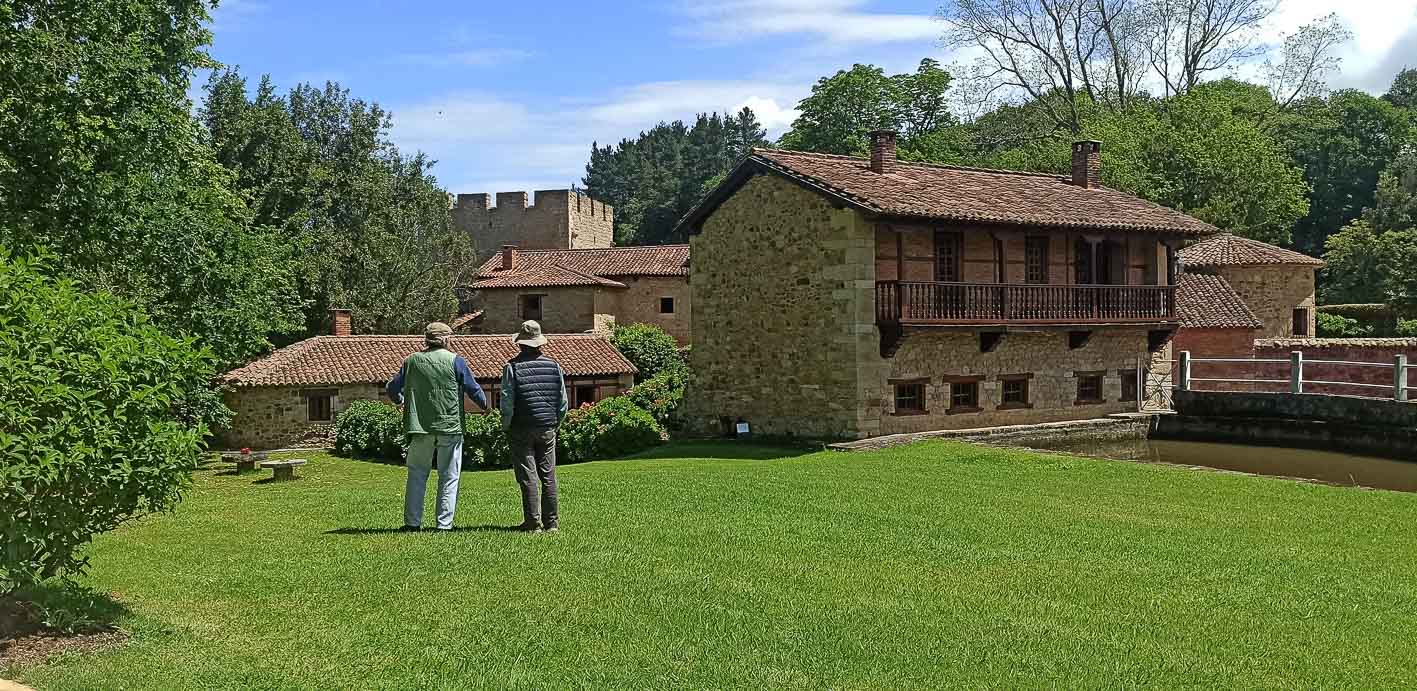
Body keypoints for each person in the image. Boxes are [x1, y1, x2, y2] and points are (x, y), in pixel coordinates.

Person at [386, 322, 488, 532]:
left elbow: (392, 387)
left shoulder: (411, 361)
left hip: (419, 426)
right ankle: (444, 524)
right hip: (449, 425)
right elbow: (473, 388)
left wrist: (400, 400)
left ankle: (412, 523)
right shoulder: (455, 361)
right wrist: (486, 407)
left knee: (416, 475)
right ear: (446, 339)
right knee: (449, 476)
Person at [500, 320, 568, 533]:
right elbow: (563, 402)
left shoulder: (511, 367)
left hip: (521, 427)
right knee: (548, 476)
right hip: (547, 426)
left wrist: (506, 425)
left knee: (528, 476)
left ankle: (532, 522)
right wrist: (555, 425)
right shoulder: (555, 366)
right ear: (540, 343)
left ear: (520, 344)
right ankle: (552, 523)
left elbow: (507, 402)